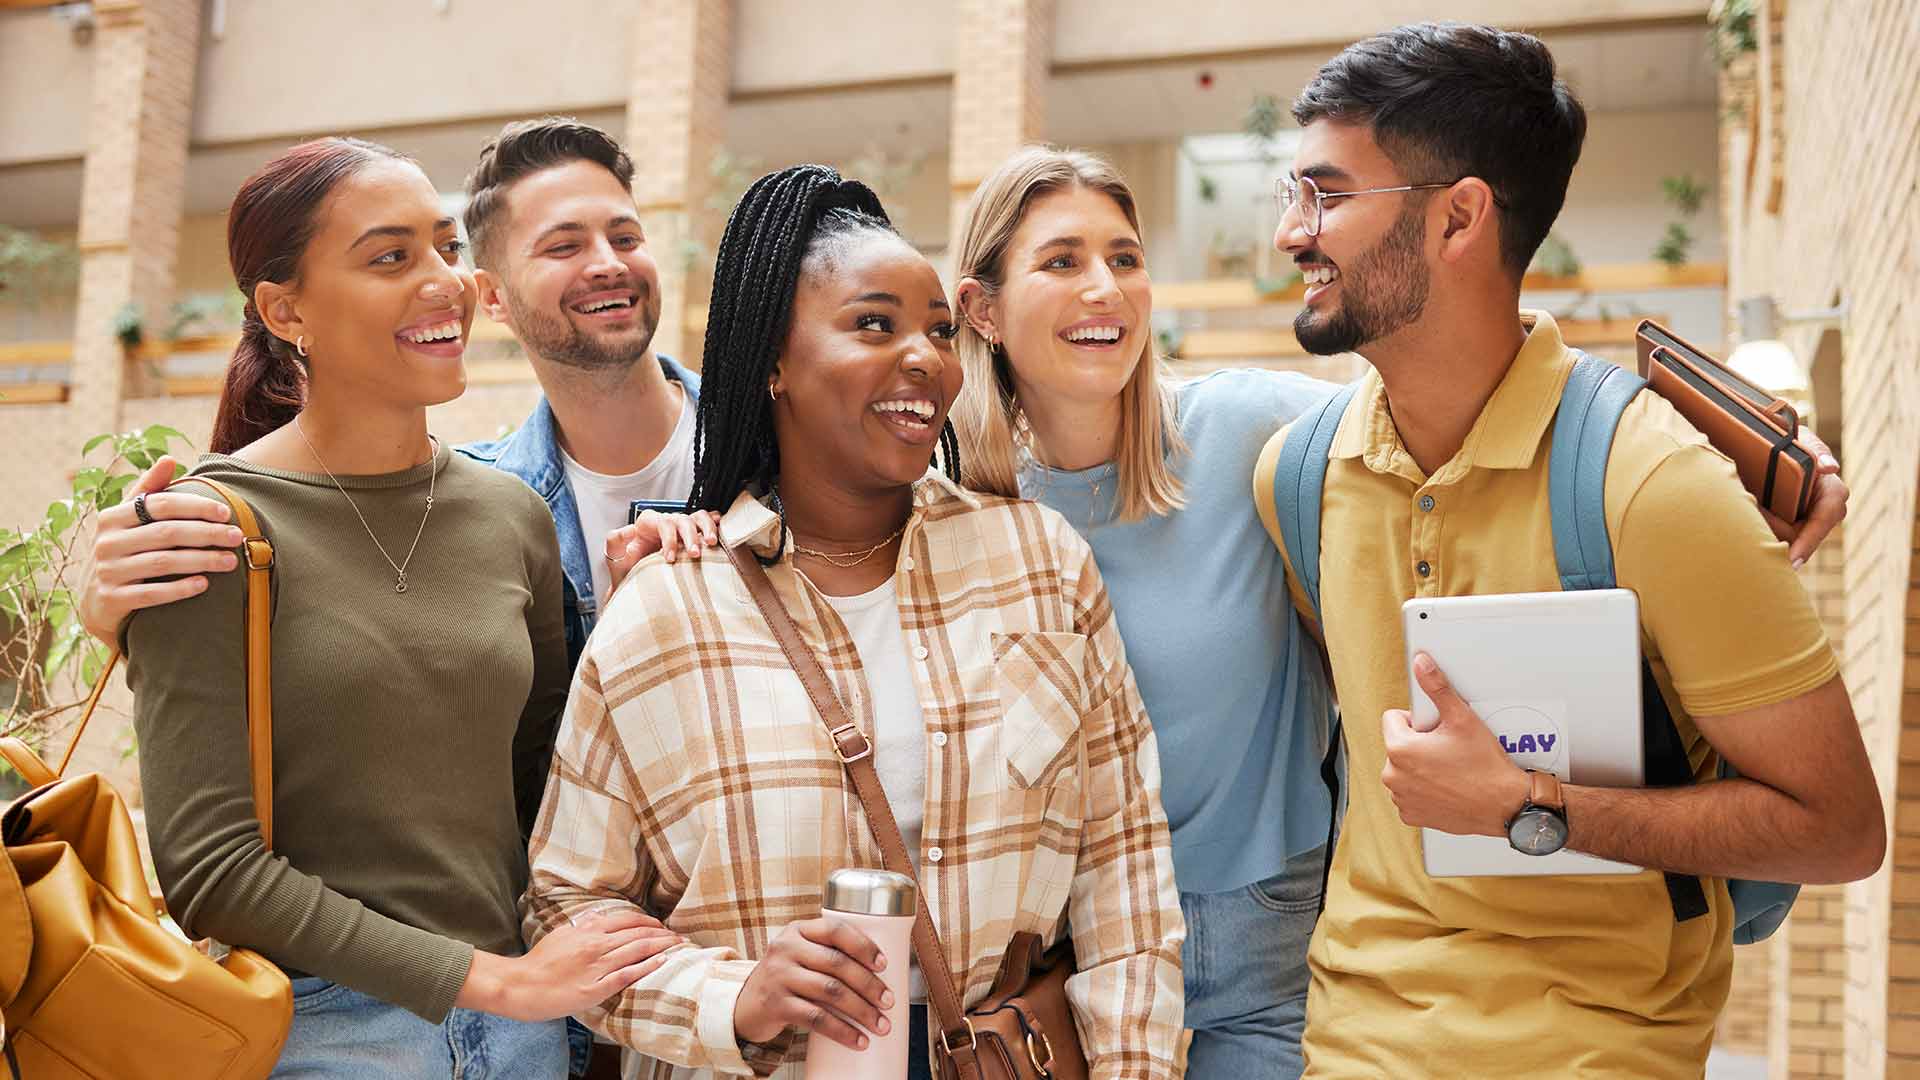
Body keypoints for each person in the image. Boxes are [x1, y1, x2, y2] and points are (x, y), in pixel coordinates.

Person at [1245, 24, 1883, 1077]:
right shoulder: (1298, 478)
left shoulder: (1653, 484)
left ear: (1458, 216)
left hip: (1596, 1052)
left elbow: (1839, 831)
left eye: (1327, 196)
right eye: (1292, 194)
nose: (1290, 234)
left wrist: (1531, 810)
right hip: (1349, 1043)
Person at [522, 164, 1186, 1080]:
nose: (926, 357)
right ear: (774, 363)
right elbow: (566, 908)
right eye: (875, 324)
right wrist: (734, 999)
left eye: (939, 331)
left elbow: (1125, 870)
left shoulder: (1038, 562)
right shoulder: (667, 608)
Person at [122, 137, 679, 1078]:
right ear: (284, 308)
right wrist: (494, 982)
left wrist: (637, 627)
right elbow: (209, 870)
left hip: (526, 1035)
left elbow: (540, 792)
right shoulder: (215, 526)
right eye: (391, 257)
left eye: (447, 250)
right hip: (324, 1035)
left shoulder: (512, 515)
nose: (444, 282)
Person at [948, 146, 1335, 1078]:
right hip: (1062, 964)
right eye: (1062, 261)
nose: (1105, 289)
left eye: (1124, 259)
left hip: (1259, 945)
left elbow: (1440, 419)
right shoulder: (945, 501)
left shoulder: (1251, 430)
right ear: (982, 309)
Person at [79, 118, 716, 668]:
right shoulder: (491, 509)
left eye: (626, 238)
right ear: (494, 295)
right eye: (565, 245)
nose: (608, 262)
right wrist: (118, 616)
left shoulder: (782, 445)